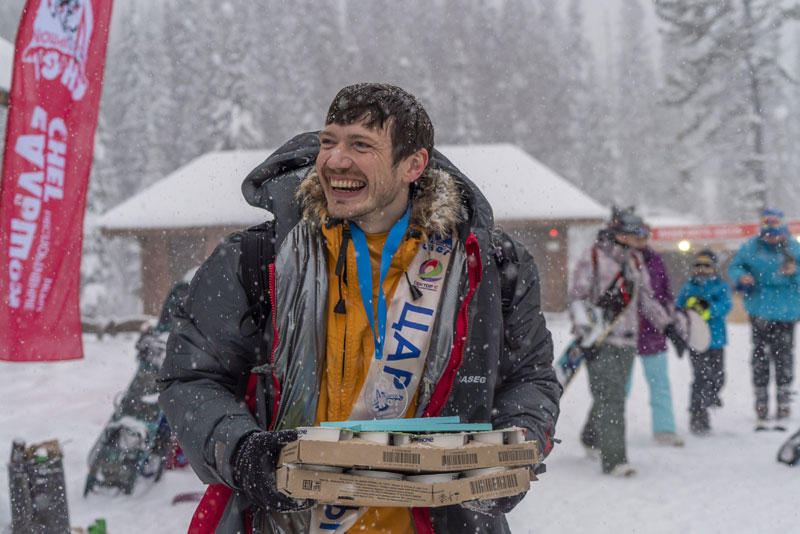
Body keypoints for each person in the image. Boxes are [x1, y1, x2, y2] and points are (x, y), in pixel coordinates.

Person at [158, 83, 562, 534]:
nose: (334, 159)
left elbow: (531, 379)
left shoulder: (487, 266)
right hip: (284, 522)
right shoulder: (257, 258)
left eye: (361, 145)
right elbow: (191, 378)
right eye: (329, 141)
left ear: (414, 164)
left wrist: (516, 447)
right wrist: (246, 452)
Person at [570, 207, 683, 477]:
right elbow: (578, 296)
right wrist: (584, 332)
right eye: (637, 234)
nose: (641, 239)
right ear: (621, 234)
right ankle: (615, 460)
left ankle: (590, 437)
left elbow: (646, 299)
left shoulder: (634, 261)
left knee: (610, 396)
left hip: (628, 342)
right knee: (612, 399)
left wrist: (667, 326)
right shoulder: (594, 256)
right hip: (600, 339)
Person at [727, 208, 800, 423]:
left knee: (784, 354)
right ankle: (761, 397)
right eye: (768, 234)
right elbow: (735, 266)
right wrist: (743, 276)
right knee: (760, 354)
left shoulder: (793, 247)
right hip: (759, 307)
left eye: (776, 234)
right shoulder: (750, 246)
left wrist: (794, 271)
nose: (771, 238)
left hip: (787, 309)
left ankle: (783, 396)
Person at [626, 224, 684, 447]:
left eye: (645, 236)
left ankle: (665, 428)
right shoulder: (622, 259)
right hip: (627, 332)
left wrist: (672, 323)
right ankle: (611, 431)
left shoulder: (656, 259)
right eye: (637, 235)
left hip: (654, 332)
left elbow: (665, 293)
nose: (642, 240)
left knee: (659, 383)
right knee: (621, 386)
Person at [675, 249, 732, 435]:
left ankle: (711, 395)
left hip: (716, 340)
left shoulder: (721, 287)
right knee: (700, 376)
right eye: (697, 265)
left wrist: (709, 308)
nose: (701, 269)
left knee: (718, 375)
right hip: (696, 341)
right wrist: (689, 307)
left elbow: (726, 305)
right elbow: (679, 308)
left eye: (706, 266)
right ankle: (698, 414)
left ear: (714, 268)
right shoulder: (688, 288)